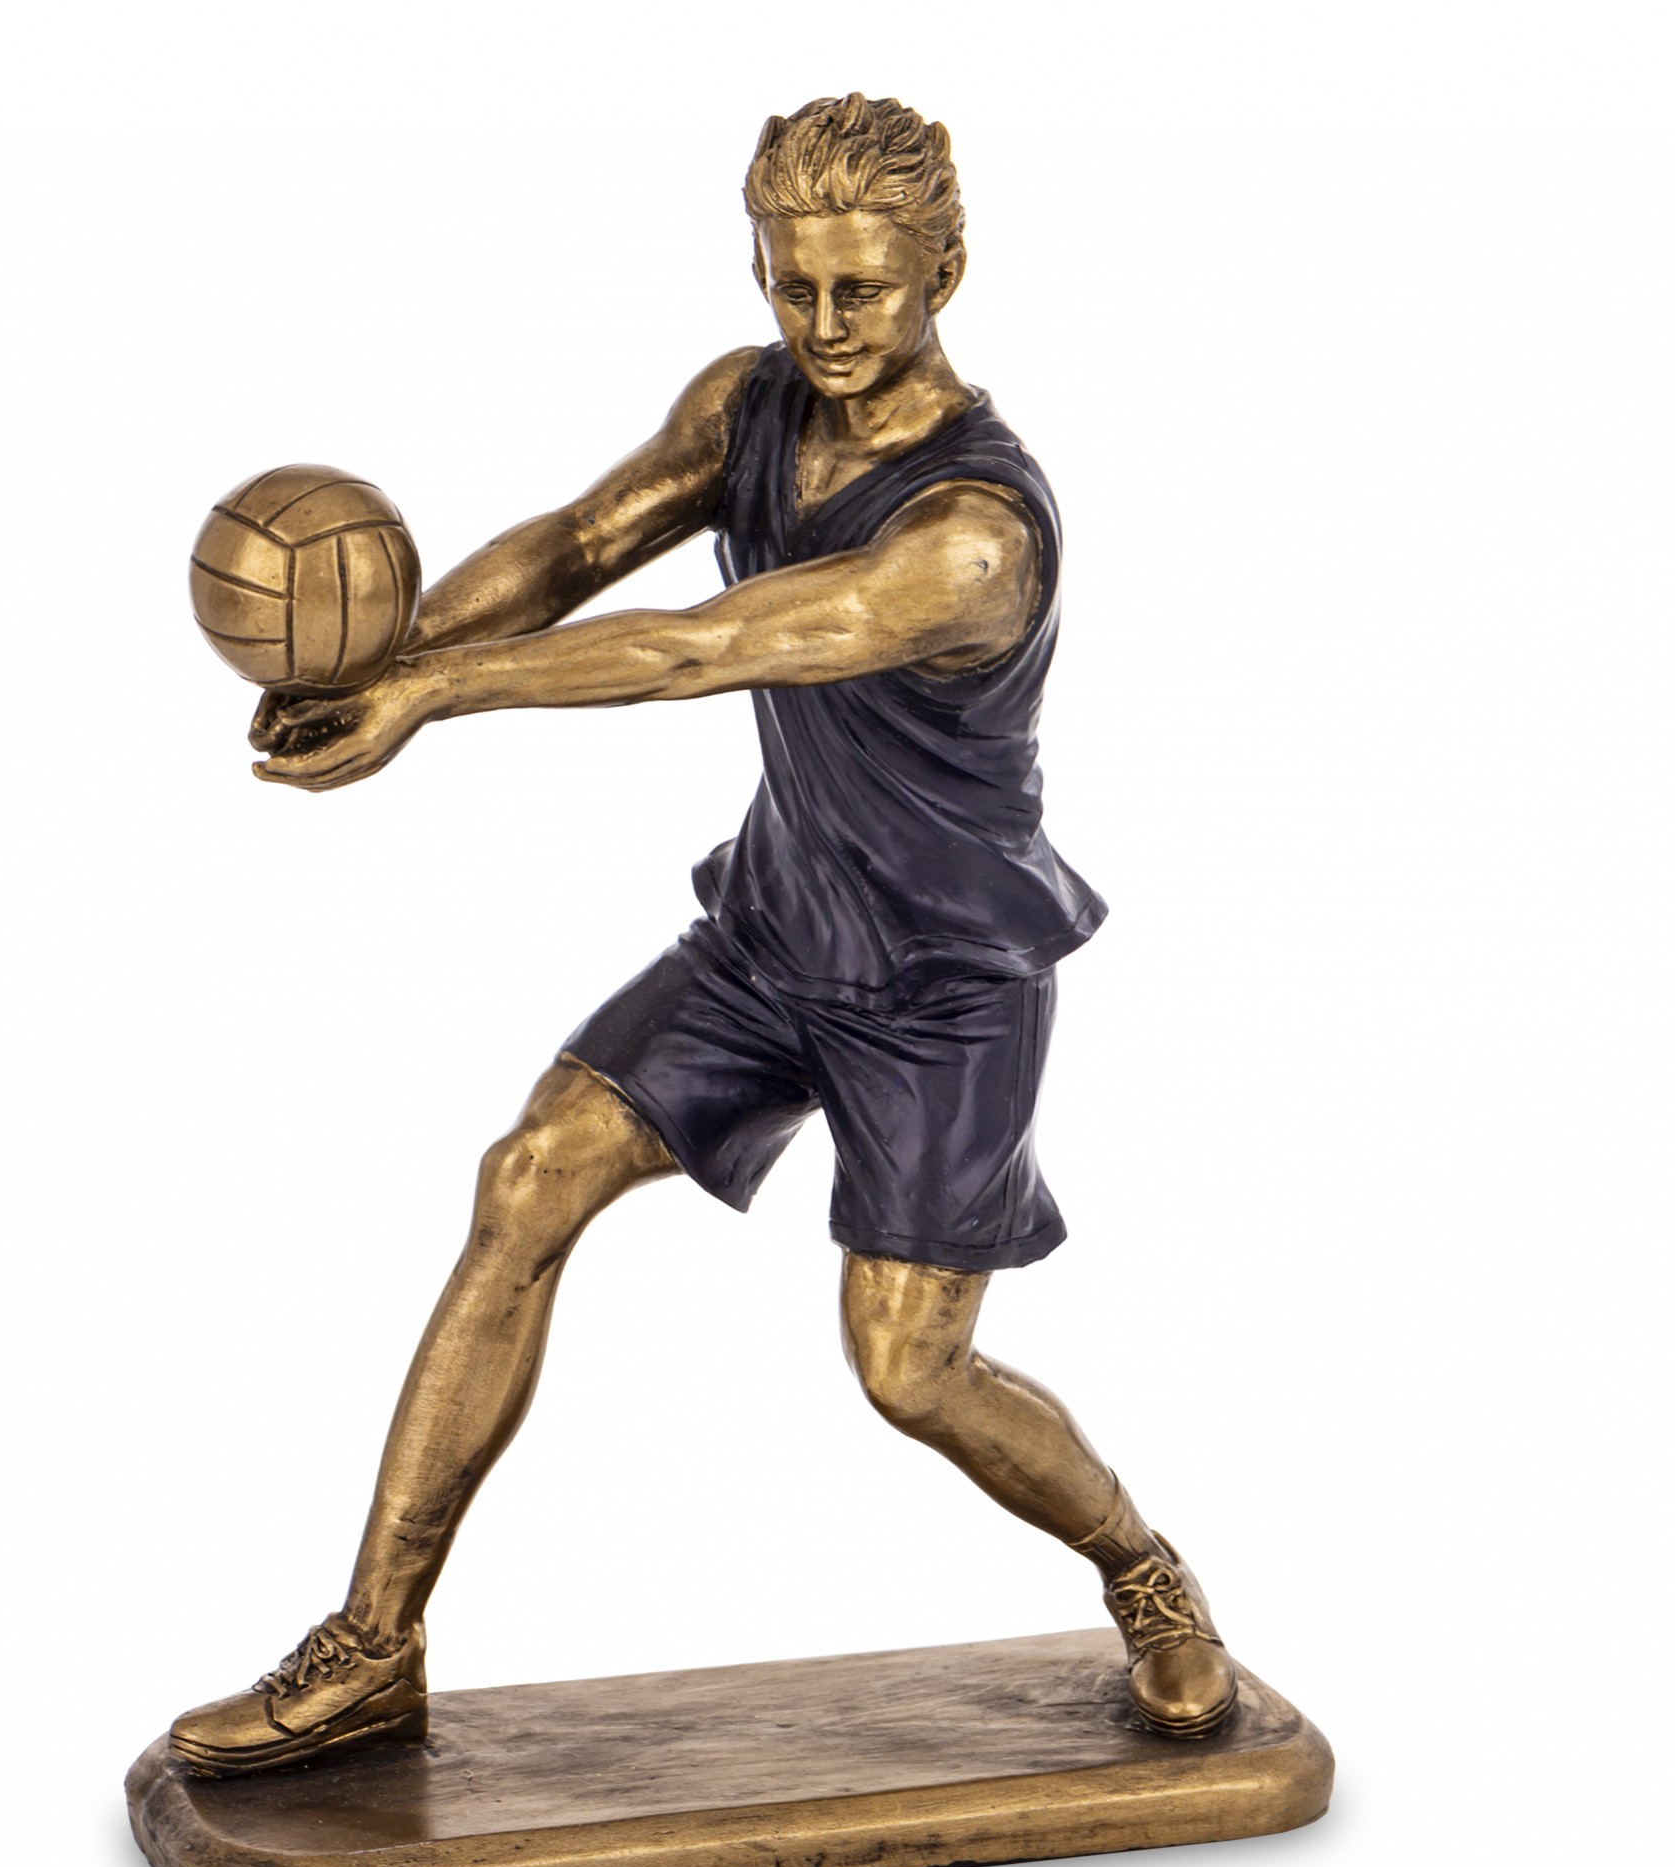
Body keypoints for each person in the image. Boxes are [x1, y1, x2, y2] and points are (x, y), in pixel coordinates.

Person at [169, 94, 1238, 1778]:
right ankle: (372, 1645)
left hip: (943, 986)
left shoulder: (971, 539)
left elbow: (699, 643)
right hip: (773, 927)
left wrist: (431, 693)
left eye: (862, 290)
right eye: (792, 283)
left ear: (947, 270)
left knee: (910, 1372)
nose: (825, 324)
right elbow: (583, 546)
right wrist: (382, 650)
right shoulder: (748, 402)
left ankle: (1146, 1571)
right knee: (528, 1179)